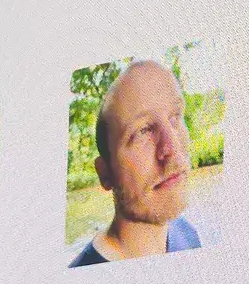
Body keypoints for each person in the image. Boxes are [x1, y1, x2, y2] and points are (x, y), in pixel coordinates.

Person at [70, 60, 204, 267]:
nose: (172, 148)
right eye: (142, 131)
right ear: (105, 173)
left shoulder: (188, 233)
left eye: (175, 117)